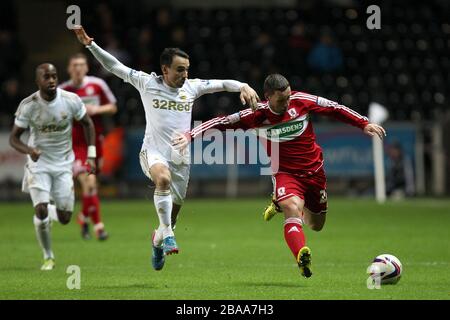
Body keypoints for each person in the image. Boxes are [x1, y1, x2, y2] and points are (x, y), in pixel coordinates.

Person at [72, 26, 260, 271]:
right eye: (180, 69)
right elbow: (115, 67)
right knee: (162, 180)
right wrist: (90, 45)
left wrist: (242, 85)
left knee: (171, 216)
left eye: (187, 69)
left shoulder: (191, 87)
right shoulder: (147, 83)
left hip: (180, 156)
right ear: (165, 69)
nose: (185, 74)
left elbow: (221, 83)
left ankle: (158, 239)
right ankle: (169, 236)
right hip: (153, 151)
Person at [176, 74, 386, 278]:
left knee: (316, 225)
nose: (287, 102)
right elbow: (221, 122)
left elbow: (334, 108)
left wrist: (363, 123)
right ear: (268, 97)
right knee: (292, 208)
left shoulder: (301, 101)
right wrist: (190, 134)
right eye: (282, 99)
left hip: (315, 173)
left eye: (288, 97)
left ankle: (278, 202)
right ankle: (300, 255)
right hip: (285, 174)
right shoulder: (255, 115)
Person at [9, 63, 96, 270]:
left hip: (64, 163)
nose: (51, 81)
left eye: (54, 76)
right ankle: (48, 256)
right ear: (37, 81)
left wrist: (91, 155)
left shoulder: (70, 100)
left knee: (65, 217)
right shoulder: (28, 105)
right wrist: (30, 151)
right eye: (46, 77)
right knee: (40, 209)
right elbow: (14, 138)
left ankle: (47, 211)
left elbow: (88, 124)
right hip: (38, 164)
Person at [60, 53, 118, 240]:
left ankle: (84, 218)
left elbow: (113, 107)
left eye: (81, 64)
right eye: (74, 65)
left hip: (96, 140)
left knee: (93, 186)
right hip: (75, 143)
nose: (78, 68)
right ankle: (99, 227)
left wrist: (96, 110)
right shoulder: (63, 90)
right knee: (89, 182)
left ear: (86, 68)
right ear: (69, 69)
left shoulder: (97, 85)